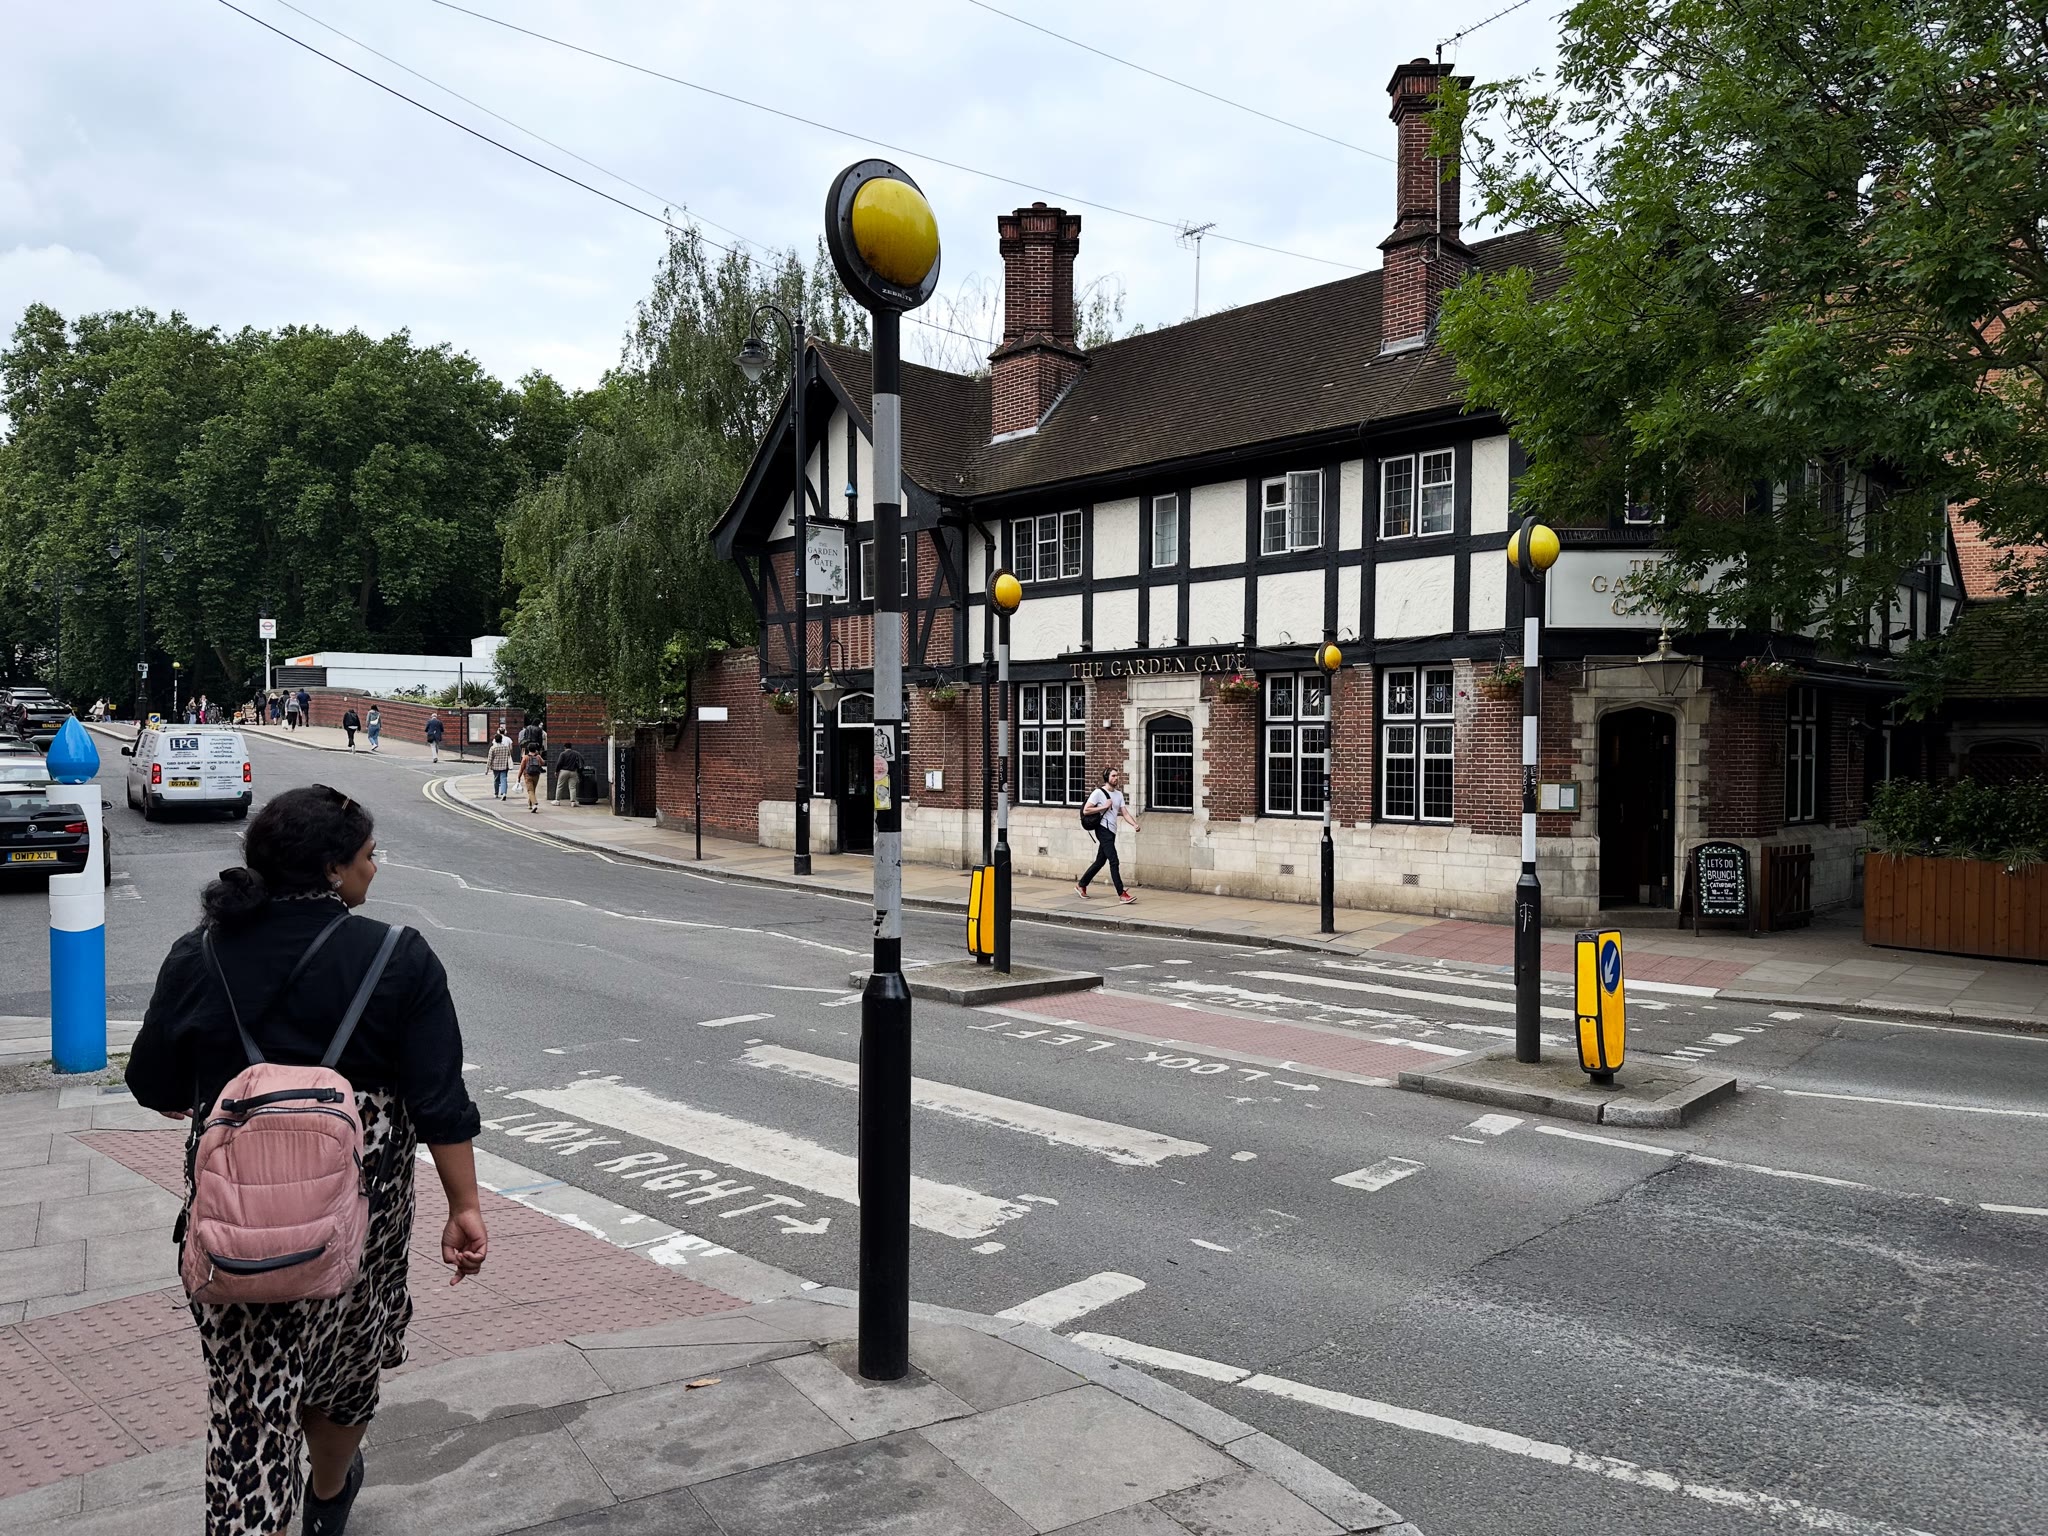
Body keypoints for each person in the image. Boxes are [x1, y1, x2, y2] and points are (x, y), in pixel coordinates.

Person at [125, 785, 486, 1536]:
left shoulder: (199, 953)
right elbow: (439, 1102)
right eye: (368, 855)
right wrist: (465, 1207)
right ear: (331, 869)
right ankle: (327, 1498)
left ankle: (254, 1513)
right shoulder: (397, 957)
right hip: (362, 1216)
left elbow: (152, 1082)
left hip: (236, 1224)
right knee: (348, 1367)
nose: (374, 868)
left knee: (248, 1404)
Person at [1076, 766, 1139, 904]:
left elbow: (1125, 813)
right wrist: (1104, 806)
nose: (1116, 778)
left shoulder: (1119, 795)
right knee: (1114, 860)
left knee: (1100, 861)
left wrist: (1134, 824)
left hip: (1112, 831)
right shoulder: (1098, 793)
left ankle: (1081, 884)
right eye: (1113, 776)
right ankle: (1121, 893)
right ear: (1107, 778)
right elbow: (1086, 810)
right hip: (1102, 829)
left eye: (1117, 776)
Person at [519, 741, 546, 813]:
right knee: (533, 790)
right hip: (536, 775)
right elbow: (543, 763)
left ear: (528, 749)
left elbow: (521, 768)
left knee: (530, 790)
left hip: (528, 775)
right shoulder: (538, 757)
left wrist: (518, 777)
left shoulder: (525, 757)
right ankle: (530, 804)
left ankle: (534, 804)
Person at [486, 730, 513, 800]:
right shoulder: (506, 747)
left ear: (495, 740)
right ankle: (504, 793)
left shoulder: (493, 748)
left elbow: (490, 759)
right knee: (504, 779)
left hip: (495, 766)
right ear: (501, 740)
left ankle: (496, 793)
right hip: (504, 766)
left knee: (496, 780)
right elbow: (509, 755)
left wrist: (487, 769)